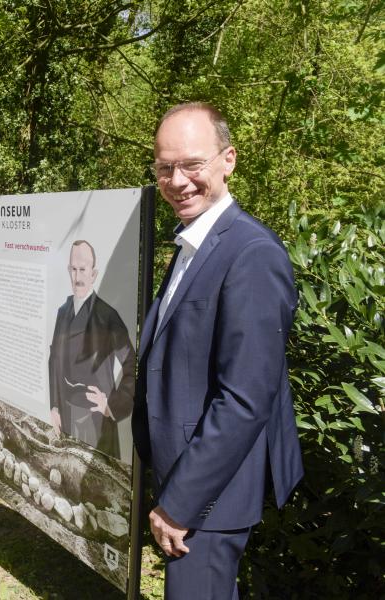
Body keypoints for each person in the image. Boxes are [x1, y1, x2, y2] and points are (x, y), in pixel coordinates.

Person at [132, 102, 303, 599]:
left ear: (228, 159)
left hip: (210, 497)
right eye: (165, 167)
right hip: (184, 476)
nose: (177, 180)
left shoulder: (252, 255)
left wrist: (180, 503)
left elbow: (246, 399)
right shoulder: (195, 242)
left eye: (192, 164)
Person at [48, 240, 135, 459]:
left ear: (93, 274)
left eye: (83, 270)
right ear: (69, 270)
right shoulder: (63, 311)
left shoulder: (107, 315)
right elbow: (55, 360)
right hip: (66, 413)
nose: (78, 277)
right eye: (74, 269)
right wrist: (55, 406)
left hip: (96, 419)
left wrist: (112, 405)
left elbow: (132, 364)